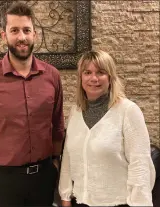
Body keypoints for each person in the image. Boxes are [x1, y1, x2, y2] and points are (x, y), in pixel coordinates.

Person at [0, 2, 64, 207]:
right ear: (4, 36)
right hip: (3, 182)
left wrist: (54, 165)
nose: (22, 37)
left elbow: (57, 126)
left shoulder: (52, 76)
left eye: (27, 30)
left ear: (35, 34)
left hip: (43, 179)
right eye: (15, 30)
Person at [59, 50, 156, 207]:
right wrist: (65, 195)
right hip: (80, 201)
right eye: (87, 72)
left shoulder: (128, 111)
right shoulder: (75, 112)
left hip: (118, 202)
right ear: (81, 78)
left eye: (101, 72)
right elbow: (68, 159)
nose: (94, 78)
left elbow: (140, 164)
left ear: (110, 77)